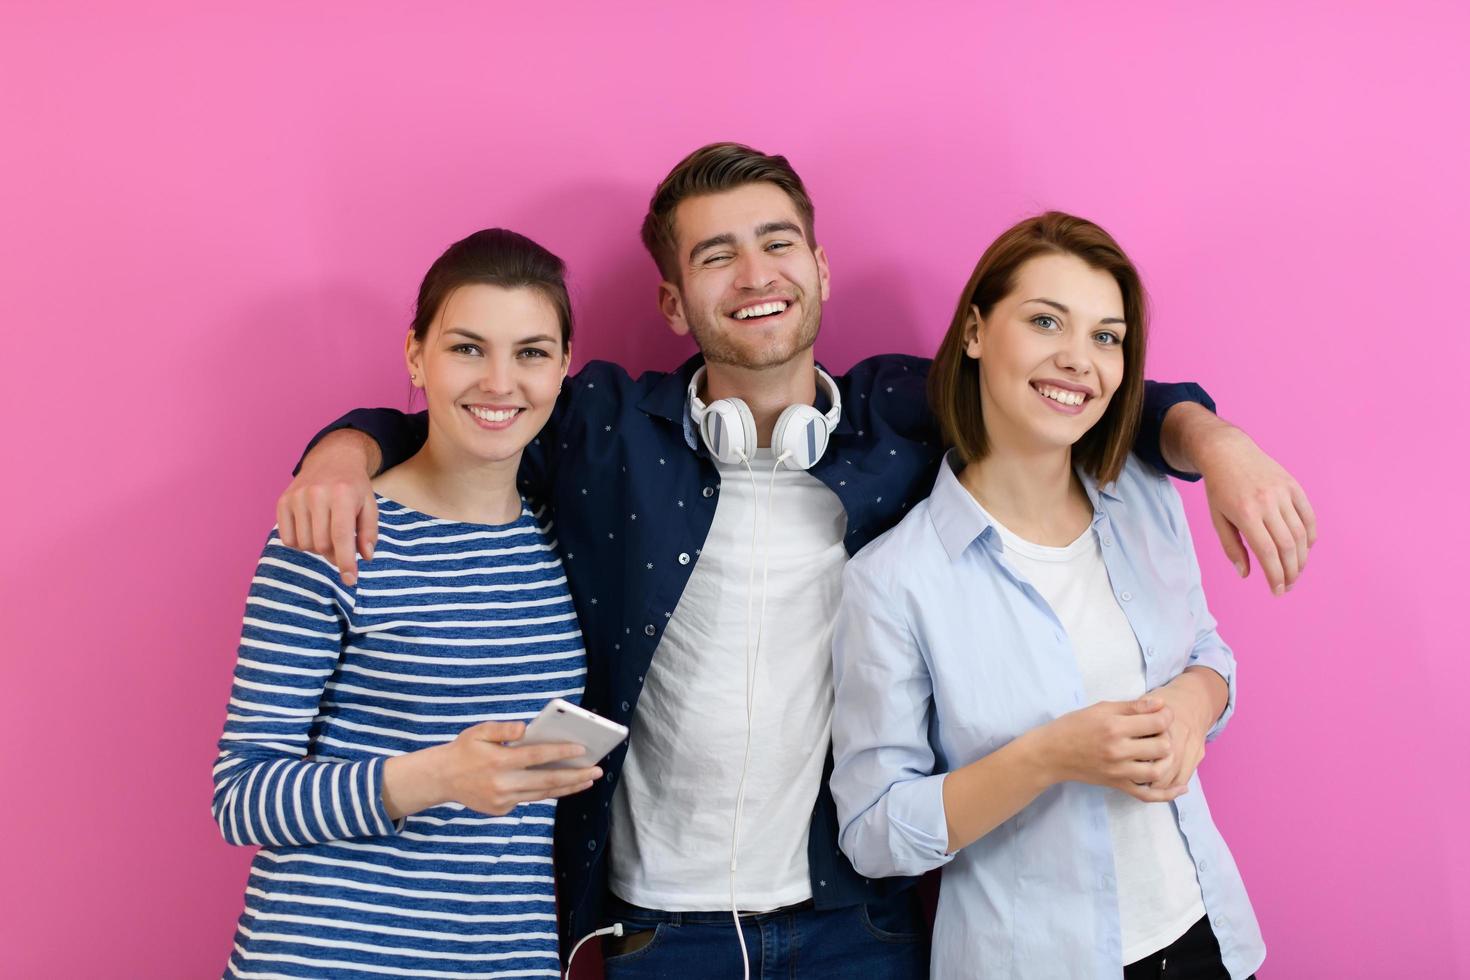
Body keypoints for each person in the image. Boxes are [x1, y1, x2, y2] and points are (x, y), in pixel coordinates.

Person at [277, 144, 1310, 978]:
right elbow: (480, 409)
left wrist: (1217, 444)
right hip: (653, 931)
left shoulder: (904, 414)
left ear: (819, 269)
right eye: (716, 253)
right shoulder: (603, 428)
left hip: (853, 927)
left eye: (778, 242)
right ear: (676, 303)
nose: (756, 272)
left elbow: (1084, 386)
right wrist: (344, 448)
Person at [830, 212, 1266, 978]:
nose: (1079, 361)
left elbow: (1206, 650)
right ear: (974, 331)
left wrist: (1194, 708)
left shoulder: (1147, 497)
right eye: (1044, 321)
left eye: (1107, 336)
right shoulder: (895, 579)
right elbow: (872, 831)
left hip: (1208, 939)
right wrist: (1046, 757)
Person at [212, 229, 603, 979]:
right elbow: (242, 795)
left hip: (503, 961)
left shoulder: (562, 538)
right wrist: (436, 779)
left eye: (529, 352)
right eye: (466, 348)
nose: (499, 382)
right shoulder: (334, 529)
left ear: (562, 369)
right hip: (324, 961)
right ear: (415, 355)